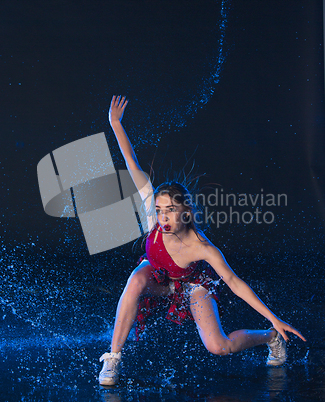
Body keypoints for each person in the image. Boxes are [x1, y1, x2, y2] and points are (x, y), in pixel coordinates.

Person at [99, 95, 306, 386]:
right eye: (159, 211)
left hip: (191, 287)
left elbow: (234, 283)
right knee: (135, 279)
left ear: (186, 212)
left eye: (170, 211)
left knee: (219, 347)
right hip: (158, 278)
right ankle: (113, 359)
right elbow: (131, 160)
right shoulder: (153, 214)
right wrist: (115, 123)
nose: (163, 218)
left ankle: (269, 338)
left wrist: (273, 319)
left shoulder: (202, 247)